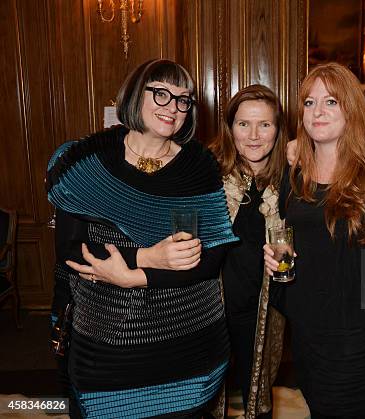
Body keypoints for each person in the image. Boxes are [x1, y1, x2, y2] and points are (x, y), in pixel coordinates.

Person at [47, 59, 238, 418]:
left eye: (184, 99)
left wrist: (134, 276)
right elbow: (71, 251)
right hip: (107, 350)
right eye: (161, 94)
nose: (174, 107)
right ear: (136, 94)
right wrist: (147, 258)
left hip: (188, 347)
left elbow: (210, 259)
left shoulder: (199, 167)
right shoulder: (86, 160)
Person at [264, 62, 365, 419]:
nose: (318, 112)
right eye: (309, 103)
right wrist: (274, 257)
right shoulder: (294, 174)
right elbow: (289, 240)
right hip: (309, 332)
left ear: (351, 109)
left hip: (359, 336)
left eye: (331, 102)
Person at [209, 84, 288, 419]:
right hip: (211, 308)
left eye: (265, 125)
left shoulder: (291, 180)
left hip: (264, 311)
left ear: (278, 130)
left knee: (258, 396)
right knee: (207, 394)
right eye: (244, 124)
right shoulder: (208, 174)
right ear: (230, 129)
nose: (254, 136)